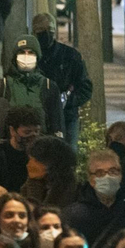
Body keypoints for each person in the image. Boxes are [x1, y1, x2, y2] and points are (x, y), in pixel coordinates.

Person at [33, 12, 92, 149]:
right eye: (41, 30)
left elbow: (85, 87)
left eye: (50, 30)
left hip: (67, 118)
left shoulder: (70, 56)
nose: (46, 34)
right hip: (39, 119)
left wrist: (67, 101)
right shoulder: (31, 56)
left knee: (68, 154)